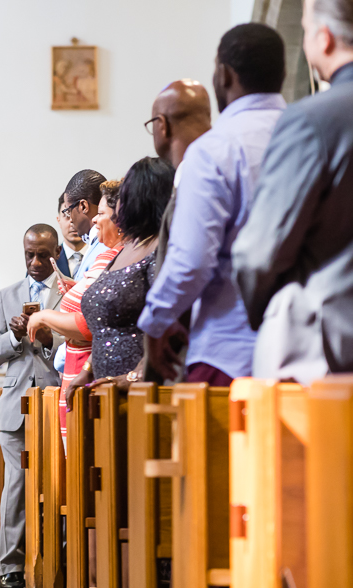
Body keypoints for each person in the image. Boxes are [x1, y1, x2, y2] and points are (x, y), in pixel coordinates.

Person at [140, 24, 287, 387]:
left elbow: (191, 261)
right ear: (283, 73)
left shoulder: (216, 149)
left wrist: (156, 321)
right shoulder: (309, 133)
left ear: (223, 74)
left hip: (231, 351)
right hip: (308, 350)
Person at [234, 0, 353, 384]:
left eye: (303, 30)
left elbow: (259, 252)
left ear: (325, 36)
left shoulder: (314, 118)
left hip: (329, 345)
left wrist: (262, 313)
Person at [0, 224, 64, 588]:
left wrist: (52, 340)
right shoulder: (7, 295)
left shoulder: (71, 290)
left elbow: (83, 340)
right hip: (16, 405)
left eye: (43, 255)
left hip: (56, 401)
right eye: (29, 254)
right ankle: (11, 567)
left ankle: (59, 558)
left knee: (60, 483)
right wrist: (15, 336)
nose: (35, 261)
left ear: (57, 252)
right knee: (16, 485)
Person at [27, 180, 123, 437]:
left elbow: (91, 323)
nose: (94, 220)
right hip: (76, 367)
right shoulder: (104, 251)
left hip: (94, 369)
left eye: (101, 214)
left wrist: (44, 316)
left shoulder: (114, 253)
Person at [76, 157, 174, 390]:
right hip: (104, 389)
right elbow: (106, 325)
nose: (120, 203)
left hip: (139, 391)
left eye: (127, 194)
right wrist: (87, 371)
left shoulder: (161, 248)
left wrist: (133, 377)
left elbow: (166, 323)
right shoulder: (125, 248)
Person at [142, 79, 212, 383]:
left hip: (198, 349)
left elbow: (190, 262)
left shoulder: (197, 177)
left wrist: (154, 325)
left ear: (162, 126)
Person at [62, 169, 109, 281]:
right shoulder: (99, 243)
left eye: (69, 211)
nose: (71, 220)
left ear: (83, 206)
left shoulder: (103, 248)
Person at [55, 194, 88, 278]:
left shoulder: (100, 255)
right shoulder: (48, 260)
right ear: (59, 221)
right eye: (66, 215)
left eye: (77, 214)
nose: (72, 222)